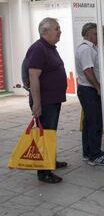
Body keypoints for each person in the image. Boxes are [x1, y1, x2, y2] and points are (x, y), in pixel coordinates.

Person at [25, 17, 67, 183]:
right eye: (57, 28)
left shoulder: (49, 47)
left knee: (50, 134)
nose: (60, 31)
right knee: (45, 135)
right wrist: (36, 103)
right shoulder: (38, 48)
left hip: (53, 100)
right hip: (45, 101)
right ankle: (44, 172)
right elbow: (33, 76)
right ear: (45, 32)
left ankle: (50, 161)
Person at [75, 23, 104, 166]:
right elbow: (88, 72)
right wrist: (98, 87)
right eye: (94, 33)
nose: (97, 36)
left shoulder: (89, 48)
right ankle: (95, 155)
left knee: (88, 122)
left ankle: (88, 153)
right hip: (89, 90)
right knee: (95, 122)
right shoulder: (86, 49)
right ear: (86, 34)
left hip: (87, 89)